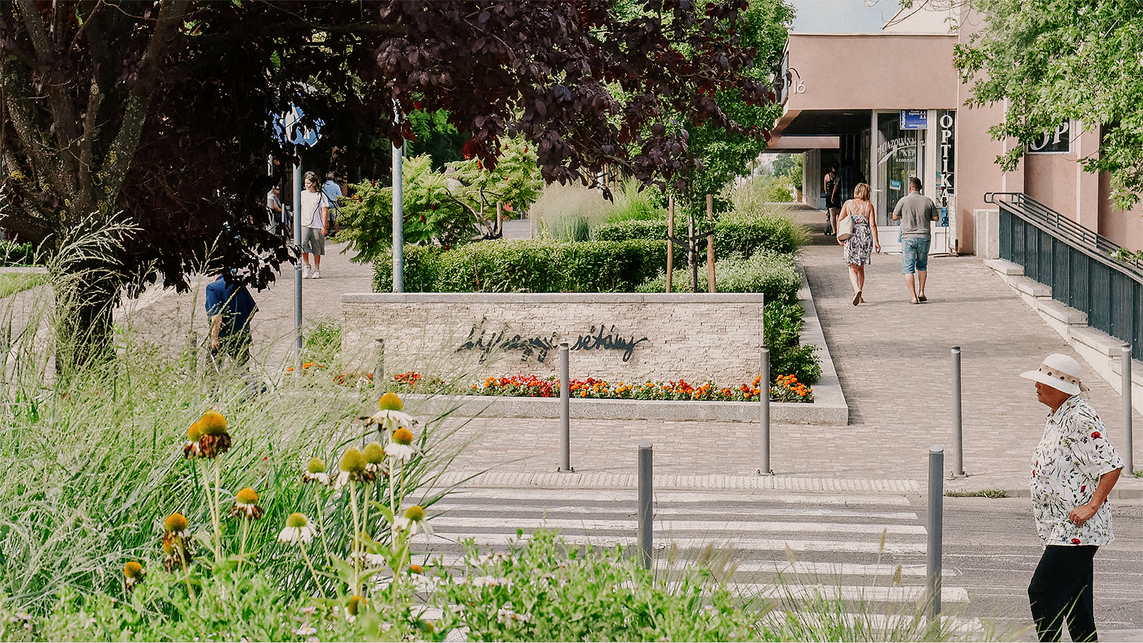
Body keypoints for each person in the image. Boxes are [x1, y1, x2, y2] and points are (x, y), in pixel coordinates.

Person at [1020, 353, 1124, 643]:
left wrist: (1092, 506)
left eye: (1043, 381)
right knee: (1077, 603)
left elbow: (1112, 465)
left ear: (1063, 388)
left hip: (1076, 529)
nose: (1037, 386)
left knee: (1042, 590)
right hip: (1060, 526)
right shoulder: (1059, 415)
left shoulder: (1079, 417)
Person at [892, 177, 939, 304]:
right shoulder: (928, 201)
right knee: (922, 266)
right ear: (921, 187)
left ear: (910, 187)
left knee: (908, 268)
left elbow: (895, 217)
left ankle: (913, 297)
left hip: (908, 238)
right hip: (924, 237)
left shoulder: (903, 201)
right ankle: (922, 292)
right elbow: (936, 217)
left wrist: (905, 214)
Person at [837, 182, 879, 305]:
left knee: (851, 266)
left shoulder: (848, 204)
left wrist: (839, 235)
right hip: (864, 237)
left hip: (852, 236)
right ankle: (860, 296)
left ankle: (857, 290)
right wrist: (877, 242)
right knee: (861, 268)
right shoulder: (869, 206)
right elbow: (872, 225)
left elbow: (840, 219)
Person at [205, 272, 257, 367]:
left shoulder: (212, 288)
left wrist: (214, 339)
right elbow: (252, 310)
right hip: (241, 337)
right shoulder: (239, 286)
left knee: (213, 373)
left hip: (222, 337)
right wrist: (241, 324)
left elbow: (216, 316)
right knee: (242, 371)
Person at [300, 171, 330, 279]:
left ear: (313, 183)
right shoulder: (302, 194)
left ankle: (317, 269)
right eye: (305, 183)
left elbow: (324, 210)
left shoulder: (320, 195)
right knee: (302, 244)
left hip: (317, 224)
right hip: (304, 223)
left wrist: (324, 225)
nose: (307, 185)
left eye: (309, 183)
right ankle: (307, 265)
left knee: (317, 247)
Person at [321, 171, 345, 236]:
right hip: (334, 204)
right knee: (336, 219)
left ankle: (326, 232)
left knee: (327, 219)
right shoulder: (336, 186)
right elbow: (340, 196)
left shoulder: (323, 186)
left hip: (326, 204)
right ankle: (336, 232)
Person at [823, 164, 841, 235]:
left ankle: (833, 230)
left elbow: (825, 187)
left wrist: (827, 194)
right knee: (838, 214)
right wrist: (833, 196)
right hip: (836, 196)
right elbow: (835, 187)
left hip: (828, 195)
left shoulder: (827, 176)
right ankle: (837, 229)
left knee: (831, 213)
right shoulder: (837, 176)